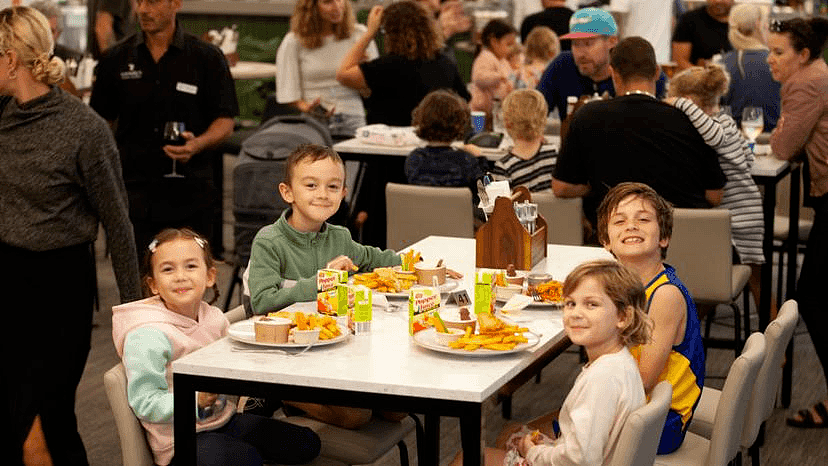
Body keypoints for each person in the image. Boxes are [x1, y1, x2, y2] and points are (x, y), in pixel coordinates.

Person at [0, 6, 141, 464]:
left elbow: (118, 224)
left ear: (10, 60)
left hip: (60, 288)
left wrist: (135, 316)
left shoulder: (83, 129)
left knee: (50, 415)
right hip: (6, 282)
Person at [112, 228, 322, 466]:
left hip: (222, 419)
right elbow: (145, 401)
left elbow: (231, 361)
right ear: (154, 285)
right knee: (247, 459)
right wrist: (195, 400)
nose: (180, 276)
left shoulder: (212, 317)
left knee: (306, 443)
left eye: (190, 266)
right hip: (178, 441)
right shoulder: (147, 335)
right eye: (168, 269)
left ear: (210, 276)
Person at [247, 144, 407, 428]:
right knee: (355, 416)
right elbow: (262, 302)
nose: (323, 194)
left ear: (343, 194)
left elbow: (372, 258)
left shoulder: (339, 236)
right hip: (288, 353)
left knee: (398, 408)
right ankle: (282, 394)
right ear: (288, 192)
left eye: (333, 187)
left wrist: (414, 265)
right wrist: (324, 281)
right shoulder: (269, 241)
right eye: (311, 185)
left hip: (335, 349)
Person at [452, 260, 651, 465]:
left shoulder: (601, 379)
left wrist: (533, 453)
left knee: (466, 459)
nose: (576, 313)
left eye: (591, 304)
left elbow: (580, 459)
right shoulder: (619, 362)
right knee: (510, 435)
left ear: (623, 317)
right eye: (570, 303)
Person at [90, 0, 238, 262]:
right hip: (134, 192)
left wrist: (198, 144)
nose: (144, 10)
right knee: (139, 286)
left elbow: (225, 121)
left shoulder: (206, 57)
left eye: (153, 1)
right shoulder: (116, 59)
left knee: (189, 283)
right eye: (139, 2)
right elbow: (99, 122)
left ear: (175, 3)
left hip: (191, 190)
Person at [552, 36, 725, 233]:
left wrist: (595, 186)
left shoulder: (588, 116)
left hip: (617, 246)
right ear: (657, 72)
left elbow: (561, 188)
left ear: (613, 74)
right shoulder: (692, 119)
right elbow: (714, 196)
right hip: (686, 244)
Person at [596, 182, 706, 454]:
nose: (631, 226)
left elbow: (643, 380)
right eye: (619, 221)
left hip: (657, 423)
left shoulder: (665, 295)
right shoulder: (626, 290)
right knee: (523, 434)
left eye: (643, 219)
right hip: (638, 412)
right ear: (606, 241)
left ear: (663, 238)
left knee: (518, 437)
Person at [766, 16, 828, 429]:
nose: (769, 60)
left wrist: (782, 131)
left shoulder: (804, 82)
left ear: (802, 55)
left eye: (777, 52)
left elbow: (784, 146)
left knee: (814, 297)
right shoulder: (819, 73)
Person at [668, 64, 765, 299]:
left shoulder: (718, 127)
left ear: (691, 102)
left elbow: (714, 136)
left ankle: (771, 326)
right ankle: (772, 326)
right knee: (756, 278)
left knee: (752, 278)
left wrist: (680, 104)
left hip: (739, 214)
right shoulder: (728, 120)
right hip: (749, 207)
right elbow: (748, 158)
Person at [336, 1, 470, 126]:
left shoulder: (384, 67)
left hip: (384, 145)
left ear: (390, 34)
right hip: (433, 138)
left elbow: (343, 74)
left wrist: (370, 33)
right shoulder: (445, 63)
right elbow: (465, 100)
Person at [536, 7, 668, 121]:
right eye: (576, 44)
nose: (581, 53)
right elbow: (536, 110)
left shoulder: (633, 67)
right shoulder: (562, 66)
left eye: (589, 43)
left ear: (612, 41)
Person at [275, 0, 378, 138]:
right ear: (311, 7)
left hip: (353, 116)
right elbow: (287, 92)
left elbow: (373, 91)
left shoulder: (360, 35)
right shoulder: (294, 41)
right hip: (314, 120)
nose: (337, 6)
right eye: (328, 2)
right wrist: (309, 108)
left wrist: (364, 75)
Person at [406, 90, 486, 190]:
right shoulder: (466, 160)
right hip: (457, 206)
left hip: (423, 206)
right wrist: (480, 158)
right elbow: (486, 189)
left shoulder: (414, 159)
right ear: (459, 124)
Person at [720, 3, 780, 132]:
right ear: (759, 25)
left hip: (731, 141)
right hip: (774, 140)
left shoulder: (722, 63)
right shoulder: (778, 62)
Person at [491, 89, 556, 192]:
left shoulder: (504, 167)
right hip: (553, 209)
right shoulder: (554, 153)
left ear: (507, 123)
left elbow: (499, 206)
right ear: (544, 118)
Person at [470, 19, 517, 117]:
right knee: (478, 131)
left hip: (495, 112)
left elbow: (510, 77)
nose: (512, 48)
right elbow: (479, 78)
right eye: (508, 44)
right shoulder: (485, 57)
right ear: (494, 42)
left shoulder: (503, 61)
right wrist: (499, 77)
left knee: (495, 131)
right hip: (479, 112)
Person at [672, 0, 733, 71]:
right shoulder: (689, 20)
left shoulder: (744, 22)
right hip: (699, 80)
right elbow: (679, 61)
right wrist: (705, 74)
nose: (718, 1)